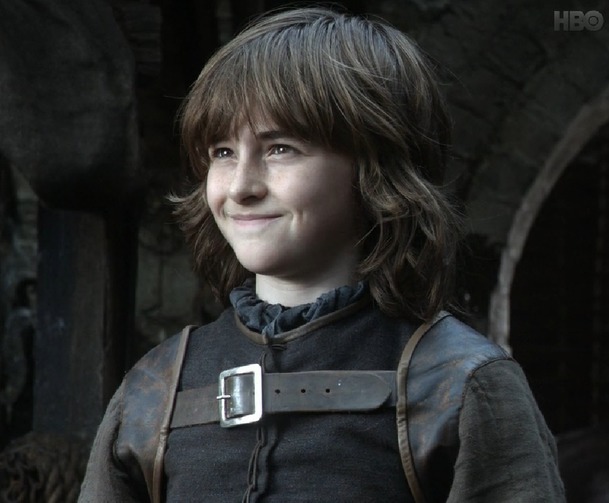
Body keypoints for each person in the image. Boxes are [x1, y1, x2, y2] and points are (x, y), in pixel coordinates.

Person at [79, 6, 565, 502]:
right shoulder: (156, 387)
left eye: (280, 148)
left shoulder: (462, 384)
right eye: (222, 152)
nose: (241, 187)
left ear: (375, 166)